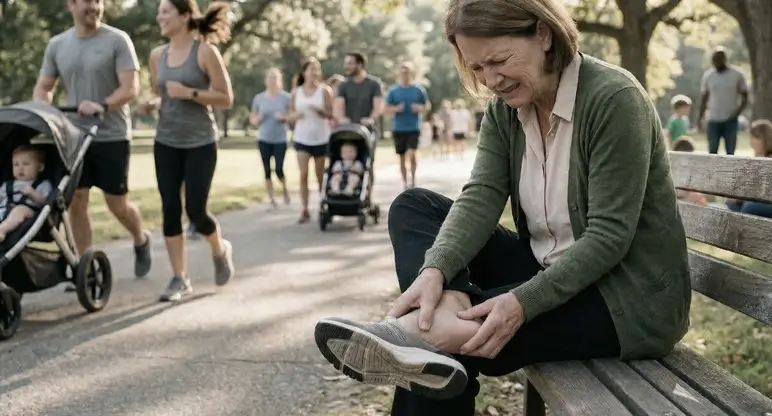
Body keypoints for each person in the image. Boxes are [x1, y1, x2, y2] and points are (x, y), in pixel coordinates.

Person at [313, 0, 691, 414]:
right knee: (414, 205)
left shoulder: (614, 99)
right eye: (476, 67)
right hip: (547, 267)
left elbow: (608, 237)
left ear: (543, 34)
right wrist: (436, 271)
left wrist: (521, 303)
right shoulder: (505, 108)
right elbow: (481, 195)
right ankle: (441, 317)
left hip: (623, 297)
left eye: (498, 60)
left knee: (435, 350)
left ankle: (419, 332)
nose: (490, 80)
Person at [33, 0, 153, 287]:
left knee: (116, 204)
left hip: (111, 135)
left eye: (99, 1)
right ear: (71, 5)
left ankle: (140, 238)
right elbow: (44, 87)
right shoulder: (58, 45)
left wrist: (103, 104)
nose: (95, 6)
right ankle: (84, 268)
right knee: (77, 201)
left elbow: (130, 88)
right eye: (88, 1)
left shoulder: (117, 40)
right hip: (74, 136)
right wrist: (43, 110)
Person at [138, 0, 235, 302]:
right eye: (159, 12)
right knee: (170, 209)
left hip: (200, 142)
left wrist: (191, 93)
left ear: (184, 16)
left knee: (196, 210)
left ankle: (219, 249)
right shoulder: (157, 55)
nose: (160, 17)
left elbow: (226, 98)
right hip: (166, 141)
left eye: (165, 11)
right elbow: (161, 93)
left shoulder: (204, 52)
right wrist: (152, 103)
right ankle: (180, 278)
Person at [286, 58, 334, 224]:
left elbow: (331, 114)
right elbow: (290, 116)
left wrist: (320, 111)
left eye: (317, 69)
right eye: (311, 69)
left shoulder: (325, 91)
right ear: (304, 72)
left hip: (321, 139)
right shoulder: (296, 92)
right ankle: (304, 209)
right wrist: (296, 116)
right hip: (302, 138)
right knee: (303, 174)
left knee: (320, 176)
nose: (314, 72)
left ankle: (323, 204)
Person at [335, 52, 384, 193]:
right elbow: (338, 105)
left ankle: (367, 194)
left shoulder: (374, 84)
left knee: (367, 163)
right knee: (345, 161)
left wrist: (371, 118)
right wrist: (341, 118)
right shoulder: (344, 85)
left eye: (350, 63)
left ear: (360, 64)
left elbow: (378, 106)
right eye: (346, 63)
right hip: (348, 131)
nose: (347, 66)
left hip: (367, 130)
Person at [250, 67, 292, 210]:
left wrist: (284, 118)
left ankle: (284, 189)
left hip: (280, 139)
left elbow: (293, 116)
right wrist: (257, 120)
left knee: (279, 169)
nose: (272, 81)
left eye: (275, 78)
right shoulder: (259, 98)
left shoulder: (286, 97)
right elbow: (253, 118)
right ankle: (271, 198)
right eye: (270, 78)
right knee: (267, 170)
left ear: (279, 80)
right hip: (264, 138)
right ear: (265, 80)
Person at [385, 62, 430, 189]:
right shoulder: (394, 90)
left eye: (407, 71)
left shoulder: (418, 89)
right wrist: (396, 109)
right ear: (399, 73)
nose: (405, 74)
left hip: (413, 127)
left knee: (412, 153)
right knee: (402, 157)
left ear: (411, 73)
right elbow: (385, 109)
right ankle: (405, 183)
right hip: (398, 128)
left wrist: (419, 108)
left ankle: (413, 181)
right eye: (403, 72)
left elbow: (427, 106)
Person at [698, 47, 749, 155]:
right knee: (712, 152)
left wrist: (738, 112)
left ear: (725, 59)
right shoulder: (708, 76)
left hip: (730, 119)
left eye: (719, 59)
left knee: (730, 152)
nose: (716, 62)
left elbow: (745, 96)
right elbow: (704, 98)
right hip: (713, 119)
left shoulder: (737, 75)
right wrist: (700, 117)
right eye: (714, 60)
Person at [0, 146, 53, 242]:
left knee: (20, 210)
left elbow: (47, 203)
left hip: (30, 213)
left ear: (40, 167)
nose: (20, 168)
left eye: (26, 164)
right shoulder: (7, 185)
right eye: (16, 165)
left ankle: (2, 231)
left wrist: (33, 194)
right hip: (4, 211)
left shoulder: (43, 184)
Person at [725, 119, 772, 218]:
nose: (751, 143)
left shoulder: (769, 160)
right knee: (732, 205)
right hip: (760, 200)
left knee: (749, 208)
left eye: (754, 138)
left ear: (764, 139)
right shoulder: (758, 159)